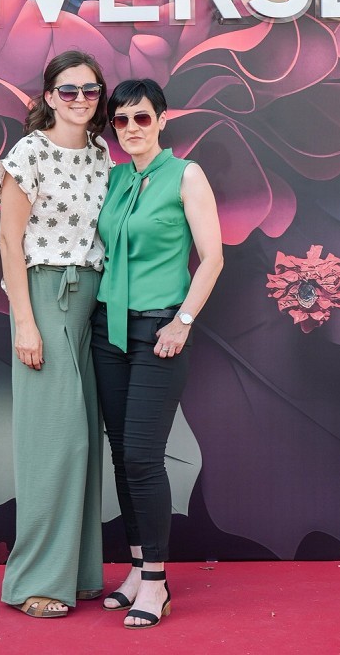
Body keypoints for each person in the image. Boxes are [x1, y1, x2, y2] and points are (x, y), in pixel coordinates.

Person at [91, 78, 223, 630]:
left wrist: (182, 322)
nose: (130, 129)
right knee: (123, 456)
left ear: (162, 119)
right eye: (120, 120)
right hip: (107, 330)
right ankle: (138, 569)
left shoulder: (186, 174)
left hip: (160, 330)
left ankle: (156, 583)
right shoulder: (113, 177)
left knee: (144, 456)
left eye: (141, 117)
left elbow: (212, 258)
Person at [0, 50, 112, 618]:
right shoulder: (28, 153)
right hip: (45, 297)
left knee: (85, 439)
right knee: (54, 442)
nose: (80, 99)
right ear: (49, 97)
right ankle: (34, 582)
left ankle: (79, 572)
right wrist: (25, 322)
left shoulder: (101, 153)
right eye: (68, 90)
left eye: (90, 90)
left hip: (92, 301)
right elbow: (7, 241)